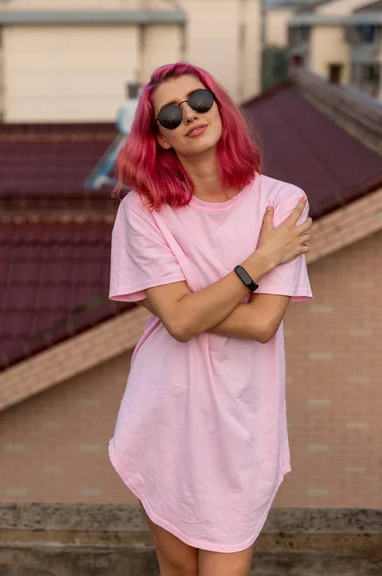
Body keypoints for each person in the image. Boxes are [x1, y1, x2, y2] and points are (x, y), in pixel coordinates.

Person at [108, 62, 313, 576]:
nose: (190, 116)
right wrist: (260, 262)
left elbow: (263, 323)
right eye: (171, 114)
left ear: (219, 106)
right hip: (166, 411)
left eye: (199, 101)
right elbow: (177, 324)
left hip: (246, 419)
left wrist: (184, 305)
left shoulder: (281, 202)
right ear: (160, 139)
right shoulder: (143, 210)